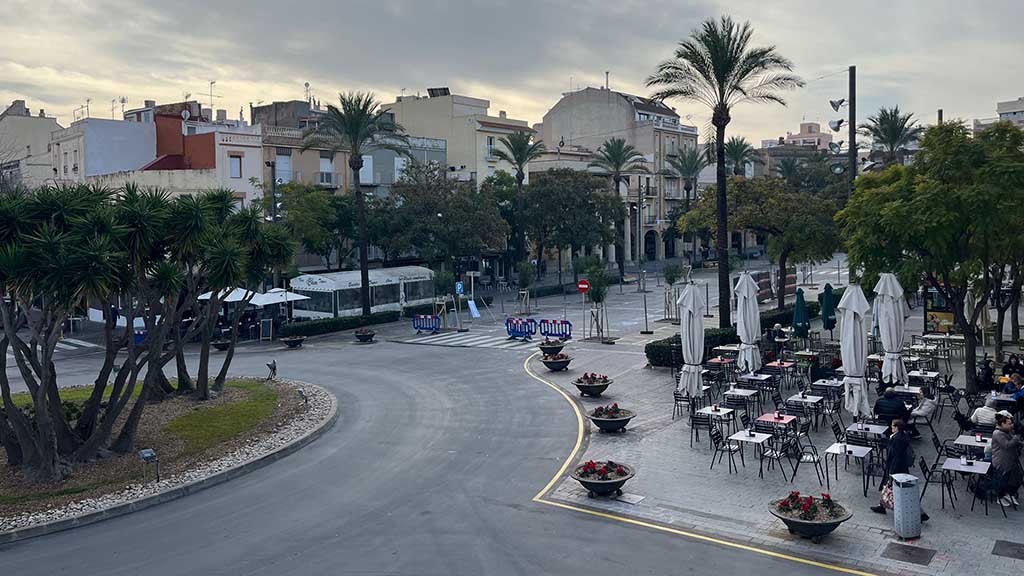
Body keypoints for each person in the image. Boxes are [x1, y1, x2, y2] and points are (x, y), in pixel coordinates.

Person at [872, 420, 929, 521]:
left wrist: (892, 471)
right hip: (900, 467)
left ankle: (920, 513)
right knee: (888, 487)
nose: (891, 427)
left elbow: (896, 455)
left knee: (902, 491)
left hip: (896, 468)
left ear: (897, 427)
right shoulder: (902, 436)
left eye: (893, 426)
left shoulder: (897, 439)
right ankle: (882, 505)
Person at [992, 413, 1023, 507]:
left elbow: (1013, 440)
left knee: (1016, 477)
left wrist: (1020, 442)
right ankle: (1000, 497)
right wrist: (1017, 437)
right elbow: (1006, 445)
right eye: (1009, 424)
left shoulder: (1007, 431)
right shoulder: (997, 433)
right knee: (1003, 480)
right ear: (1003, 424)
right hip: (1002, 461)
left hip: (1011, 459)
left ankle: (1009, 493)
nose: (1012, 425)